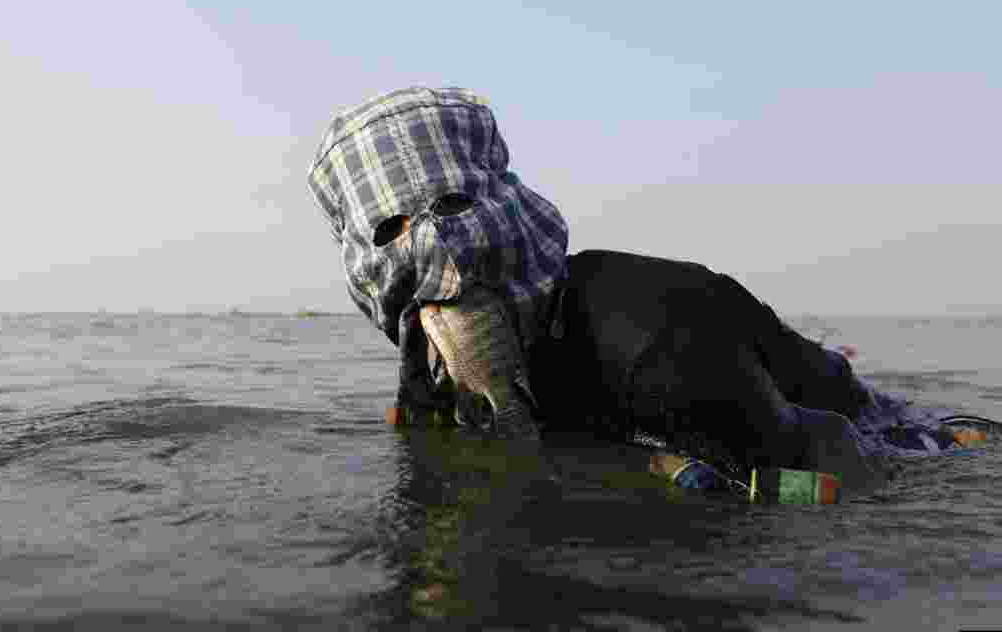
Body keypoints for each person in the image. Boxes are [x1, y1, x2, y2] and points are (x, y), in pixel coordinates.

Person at [307, 87, 889, 489]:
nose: (431, 247)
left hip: (871, 428)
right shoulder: (435, 348)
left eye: (454, 206)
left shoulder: (656, 349)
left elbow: (825, 468)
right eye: (389, 230)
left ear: (505, 199)